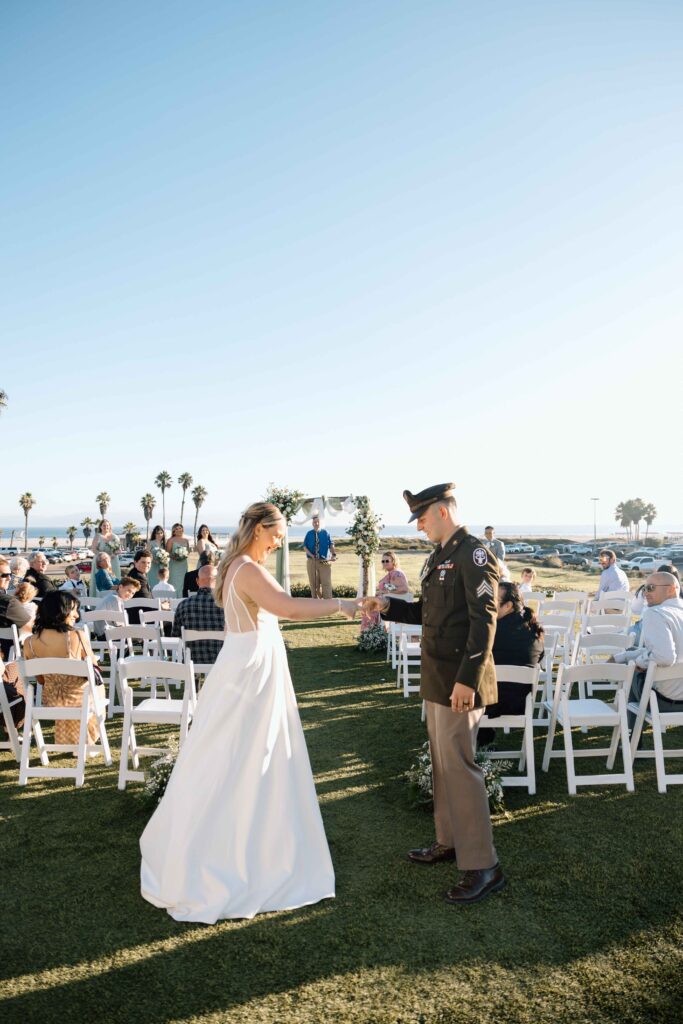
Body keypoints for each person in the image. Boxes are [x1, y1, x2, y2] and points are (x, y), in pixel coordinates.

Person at [140, 501, 359, 923]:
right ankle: (239, 855)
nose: (281, 540)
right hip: (251, 669)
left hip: (243, 660)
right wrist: (340, 606)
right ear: (259, 528)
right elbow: (290, 608)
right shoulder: (248, 569)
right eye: (277, 533)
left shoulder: (234, 566)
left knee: (238, 753)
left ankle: (249, 839)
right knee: (244, 754)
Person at [361, 483, 504, 906]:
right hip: (438, 677)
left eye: (422, 517)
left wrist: (468, 679)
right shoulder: (440, 556)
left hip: (461, 679)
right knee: (443, 765)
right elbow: (428, 612)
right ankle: (450, 841)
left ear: (442, 511)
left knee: (461, 767)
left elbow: (485, 620)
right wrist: (388, 606)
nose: (419, 526)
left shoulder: (473, 553)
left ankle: (484, 866)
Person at [23, 590, 105, 746]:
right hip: (80, 700)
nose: (76, 615)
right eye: (72, 609)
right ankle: (86, 740)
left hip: (51, 701)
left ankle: (73, 740)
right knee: (97, 689)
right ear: (60, 611)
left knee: (76, 693)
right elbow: (94, 671)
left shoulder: (29, 643)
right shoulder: (77, 636)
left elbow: (40, 680)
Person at [611, 572, 683, 728]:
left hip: (664, 700)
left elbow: (664, 657)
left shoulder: (655, 613)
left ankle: (630, 737)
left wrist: (636, 662)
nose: (645, 593)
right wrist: (623, 656)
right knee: (632, 659)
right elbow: (659, 650)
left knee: (631, 670)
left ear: (671, 589)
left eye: (651, 588)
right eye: (644, 588)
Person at [477, 581, 545, 747]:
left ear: (507, 605)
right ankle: (483, 741)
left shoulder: (490, 633)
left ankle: (474, 744)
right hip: (522, 703)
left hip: (490, 704)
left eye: (492, 600)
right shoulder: (533, 631)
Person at [171, 564, 224, 665]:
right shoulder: (226, 606)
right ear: (217, 581)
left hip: (191, 661)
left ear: (197, 581)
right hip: (220, 662)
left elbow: (176, 636)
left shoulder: (183, 605)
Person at [360, 550, 412, 630]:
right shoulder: (392, 573)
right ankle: (374, 636)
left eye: (387, 561)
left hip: (390, 607)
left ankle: (372, 636)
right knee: (366, 608)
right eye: (383, 561)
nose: (384, 563)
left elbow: (404, 589)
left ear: (393, 561)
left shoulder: (396, 573)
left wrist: (385, 592)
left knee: (367, 611)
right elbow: (393, 588)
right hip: (386, 605)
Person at [0, 557, 33, 658]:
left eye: (10, 574)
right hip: (8, 658)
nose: (10, 578)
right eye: (5, 575)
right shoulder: (8, 602)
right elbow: (30, 628)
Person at [303, 516, 337, 599]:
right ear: (312, 523)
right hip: (312, 561)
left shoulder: (326, 533)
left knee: (326, 583)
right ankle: (316, 602)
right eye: (314, 522)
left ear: (321, 523)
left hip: (324, 561)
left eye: (318, 522)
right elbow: (305, 547)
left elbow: (331, 544)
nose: (316, 523)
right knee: (314, 584)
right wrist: (311, 555)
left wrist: (333, 554)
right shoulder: (309, 534)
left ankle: (328, 602)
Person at [89, 520, 121, 596]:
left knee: (114, 577)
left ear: (109, 526)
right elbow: (94, 549)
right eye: (104, 525)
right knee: (102, 579)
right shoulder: (98, 536)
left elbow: (119, 549)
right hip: (100, 560)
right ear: (100, 527)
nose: (106, 527)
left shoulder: (114, 536)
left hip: (113, 560)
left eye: (107, 525)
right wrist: (103, 556)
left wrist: (113, 555)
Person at [126, 550, 153, 624]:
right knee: (170, 618)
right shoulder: (138, 577)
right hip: (139, 617)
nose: (146, 565)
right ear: (135, 562)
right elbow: (146, 600)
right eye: (143, 562)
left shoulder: (134, 573)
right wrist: (162, 606)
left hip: (136, 613)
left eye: (148, 563)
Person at [166, 523, 192, 597]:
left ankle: (181, 598)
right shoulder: (171, 540)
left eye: (180, 528)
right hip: (174, 565)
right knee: (174, 582)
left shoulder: (186, 540)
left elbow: (188, 551)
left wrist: (184, 555)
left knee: (183, 582)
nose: (179, 530)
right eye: (176, 529)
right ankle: (173, 598)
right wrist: (175, 557)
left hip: (183, 564)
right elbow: (167, 553)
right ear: (174, 531)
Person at [148, 525, 167, 591]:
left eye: (161, 533)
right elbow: (146, 554)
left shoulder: (164, 543)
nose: (159, 535)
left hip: (162, 567)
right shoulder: (151, 543)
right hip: (153, 567)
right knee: (153, 584)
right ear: (154, 534)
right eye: (157, 533)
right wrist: (153, 560)